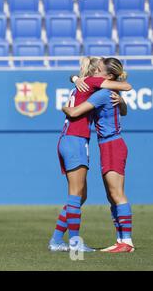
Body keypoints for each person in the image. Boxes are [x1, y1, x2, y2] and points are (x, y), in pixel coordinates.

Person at [49, 57, 132, 252]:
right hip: (77, 140)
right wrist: (68, 107)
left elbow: (75, 105)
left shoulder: (83, 86)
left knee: (81, 195)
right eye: (96, 70)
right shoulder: (94, 85)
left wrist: (72, 86)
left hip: (70, 139)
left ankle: (56, 240)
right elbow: (75, 112)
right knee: (77, 195)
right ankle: (75, 244)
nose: (96, 73)